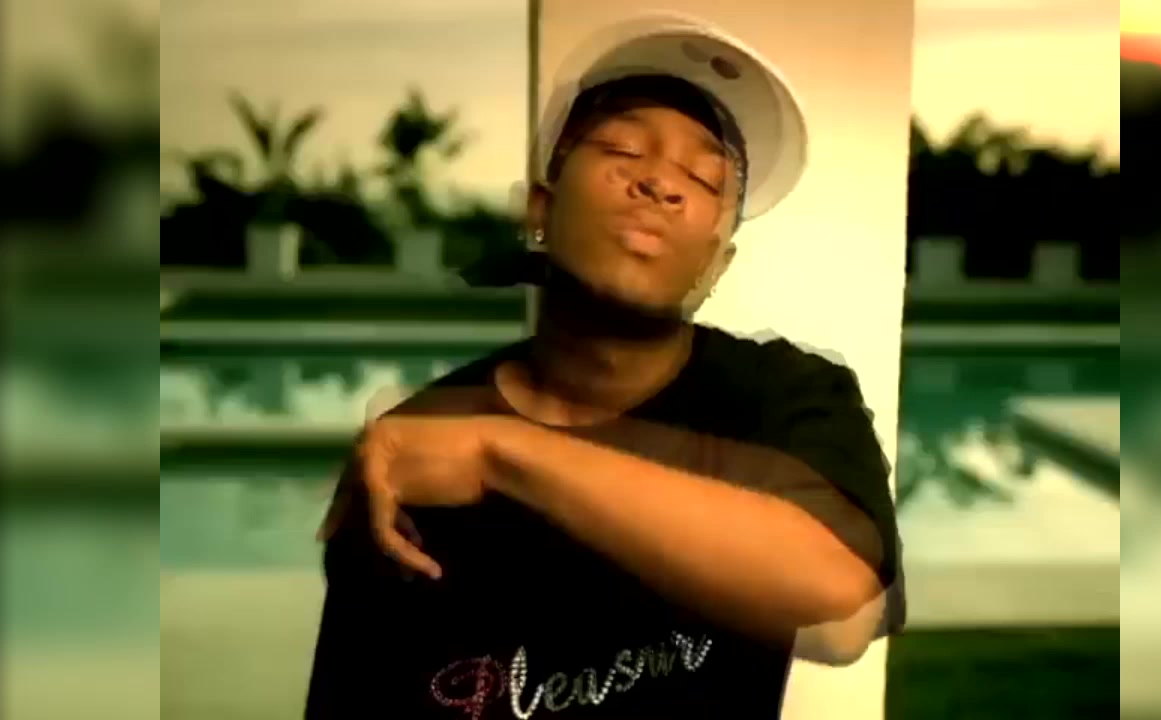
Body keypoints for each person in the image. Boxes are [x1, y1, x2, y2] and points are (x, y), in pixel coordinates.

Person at [306, 13, 904, 720]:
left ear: (716, 263)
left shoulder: (784, 396)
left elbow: (840, 611)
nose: (659, 183)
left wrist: (502, 452)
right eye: (622, 148)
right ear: (540, 209)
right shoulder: (416, 450)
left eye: (703, 178)